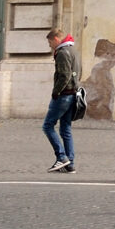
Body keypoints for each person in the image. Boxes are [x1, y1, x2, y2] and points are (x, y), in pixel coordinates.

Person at [43, 27, 80, 173]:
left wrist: (56, 91)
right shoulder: (73, 50)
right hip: (73, 93)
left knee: (48, 126)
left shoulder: (62, 52)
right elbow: (77, 72)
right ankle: (70, 164)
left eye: (50, 42)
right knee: (65, 129)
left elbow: (65, 75)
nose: (50, 46)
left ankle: (62, 157)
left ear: (56, 39)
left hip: (64, 95)